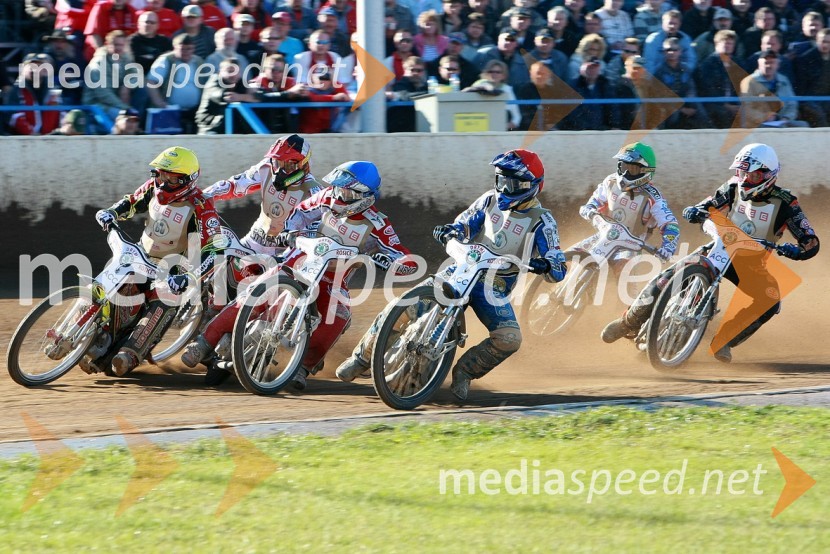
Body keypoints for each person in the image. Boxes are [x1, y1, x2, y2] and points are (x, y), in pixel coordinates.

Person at [336, 149, 567, 401]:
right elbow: (465, 223)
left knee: (509, 339)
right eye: (501, 180)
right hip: (462, 268)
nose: (504, 188)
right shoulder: (489, 200)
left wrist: (546, 265)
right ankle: (361, 358)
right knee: (403, 305)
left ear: (530, 186)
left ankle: (465, 372)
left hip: (494, 285)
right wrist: (450, 230)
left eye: (512, 184)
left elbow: (558, 265)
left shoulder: (543, 221)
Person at [184, 160, 419, 390]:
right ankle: (205, 342)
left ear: (365, 197)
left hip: (332, 279)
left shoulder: (378, 224)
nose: (338, 195)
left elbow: (405, 257)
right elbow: (300, 212)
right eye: (338, 189)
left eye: (346, 192)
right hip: (299, 259)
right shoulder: (326, 197)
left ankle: (303, 367)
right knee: (259, 290)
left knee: (339, 317)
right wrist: (290, 231)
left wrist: (392, 262)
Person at [603, 143, 819, 362]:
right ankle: (628, 322)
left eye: (752, 175)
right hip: (720, 247)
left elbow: (810, 239)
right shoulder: (732, 187)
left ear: (768, 175)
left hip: (751, 263)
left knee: (770, 299)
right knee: (667, 277)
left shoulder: (786, 202)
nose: (745, 179)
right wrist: (695, 210)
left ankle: (723, 341)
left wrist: (797, 250)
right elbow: (708, 204)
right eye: (742, 172)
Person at [90, 147, 224, 376]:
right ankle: (98, 335)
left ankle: (130, 355)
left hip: (173, 271)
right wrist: (112, 212)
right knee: (117, 286)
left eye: (171, 178)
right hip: (141, 256)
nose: (162, 183)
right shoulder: (152, 187)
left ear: (188, 180)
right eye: (160, 175)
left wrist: (188, 277)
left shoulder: (201, 206)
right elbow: (132, 202)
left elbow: (215, 249)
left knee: (165, 299)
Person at [578, 142, 679, 277]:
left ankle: (627, 290)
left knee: (624, 271)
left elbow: (671, 224)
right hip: (604, 236)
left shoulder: (653, 197)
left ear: (646, 171)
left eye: (632, 169)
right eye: (623, 166)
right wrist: (589, 209)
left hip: (630, 245)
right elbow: (595, 201)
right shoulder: (611, 181)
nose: (626, 172)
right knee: (571, 255)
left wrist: (668, 247)